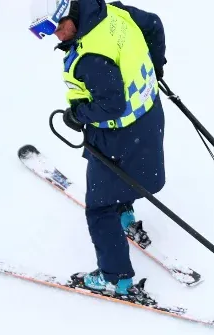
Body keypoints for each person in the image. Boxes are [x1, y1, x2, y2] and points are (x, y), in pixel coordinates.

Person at [28, 0, 167, 297]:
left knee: (99, 208)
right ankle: (125, 212)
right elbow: (153, 24)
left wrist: (77, 115)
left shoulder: (91, 56)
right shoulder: (113, 11)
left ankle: (115, 279)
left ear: (68, 12)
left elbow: (111, 105)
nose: (57, 37)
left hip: (117, 136)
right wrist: (155, 69)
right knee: (132, 174)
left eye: (56, 28)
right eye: (47, 31)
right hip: (149, 115)